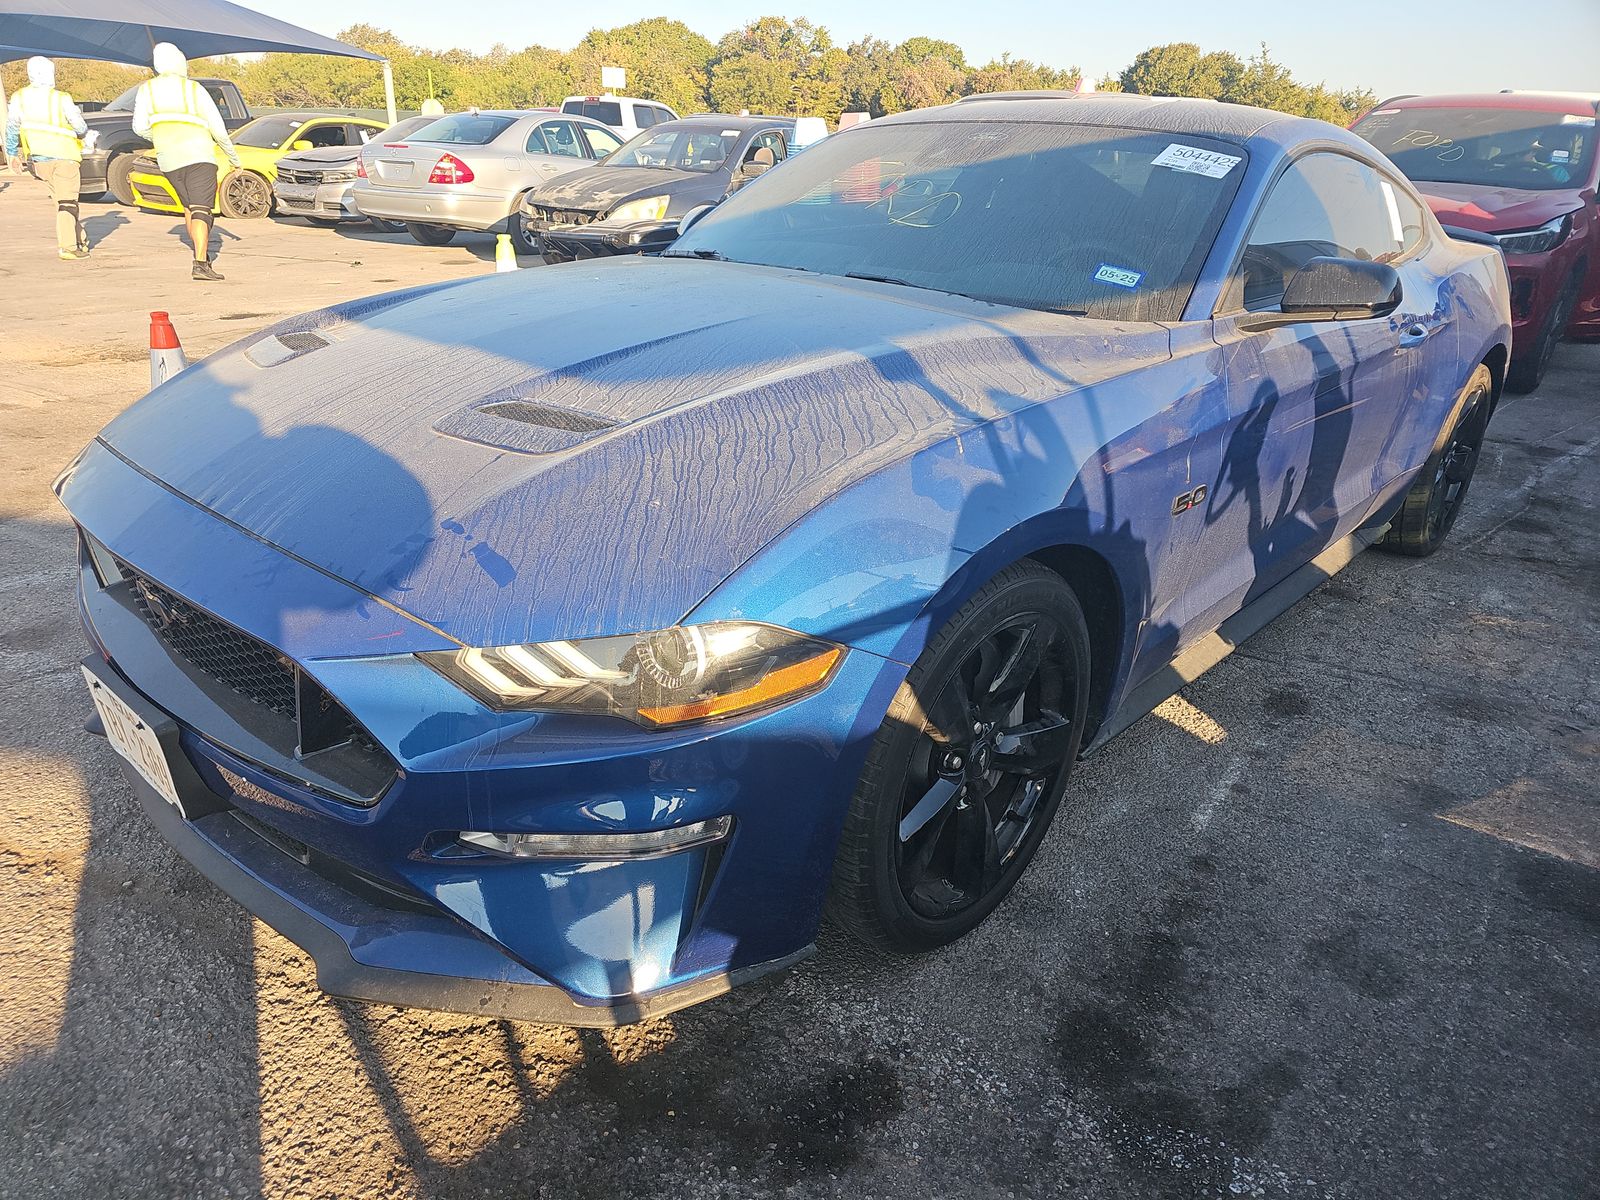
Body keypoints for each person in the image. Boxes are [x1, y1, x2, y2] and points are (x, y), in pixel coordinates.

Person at [132, 43, 240, 282]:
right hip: (199, 156)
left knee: (190, 207)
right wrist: (234, 159)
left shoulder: (146, 90)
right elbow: (218, 129)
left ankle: (201, 256)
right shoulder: (193, 89)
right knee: (202, 209)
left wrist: (161, 138)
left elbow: (139, 128)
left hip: (169, 160)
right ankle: (200, 263)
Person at [4, 57, 91, 261]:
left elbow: (12, 127)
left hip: (39, 160)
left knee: (62, 201)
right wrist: (83, 133)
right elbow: (80, 126)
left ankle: (80, 239)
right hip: (65, 157)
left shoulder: (19, 97)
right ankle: (69, 247)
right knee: (67, 202)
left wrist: (12, 153)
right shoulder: (61, 98)